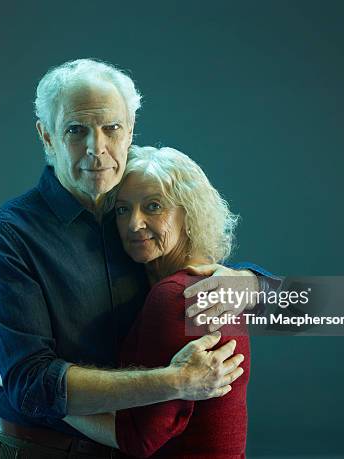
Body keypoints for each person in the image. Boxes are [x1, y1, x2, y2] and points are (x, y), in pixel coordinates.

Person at [0, 59, 278, 458]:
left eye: (111, 128)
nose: (96, 148)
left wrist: (251, 283)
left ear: (130, 130)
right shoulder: (8, 234)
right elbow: (31, 384)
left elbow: (312, 310)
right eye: (75, 130)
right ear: (46, 136)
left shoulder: (143, 231)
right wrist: (175, 381)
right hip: (35, 449)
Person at [63, 146, 251, 458]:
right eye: (123, 210)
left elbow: (137, 439)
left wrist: (44, 399)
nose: (134, 224)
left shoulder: (177, 296)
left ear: (188, 213)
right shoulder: (217, 283)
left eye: (153, 206)